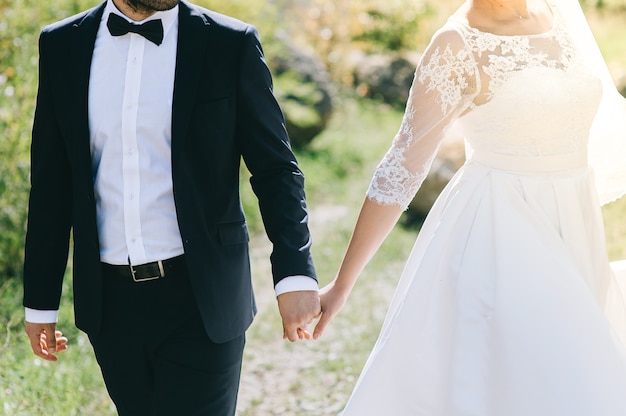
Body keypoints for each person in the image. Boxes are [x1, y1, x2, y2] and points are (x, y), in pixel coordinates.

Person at [312, 0, 626, 414]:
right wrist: (343, 282)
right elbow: (401, 167)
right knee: (554, 375)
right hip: (502, 231)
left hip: (575, 220)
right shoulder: (455, 45)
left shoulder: (557, 12)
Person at [22, 0, 321, 414]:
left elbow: (275, 171)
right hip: (110, 305)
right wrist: (40, 301)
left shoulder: (229, 42)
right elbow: (52, 185)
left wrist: (294, 275)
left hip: (202, 298)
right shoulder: (62, 44)